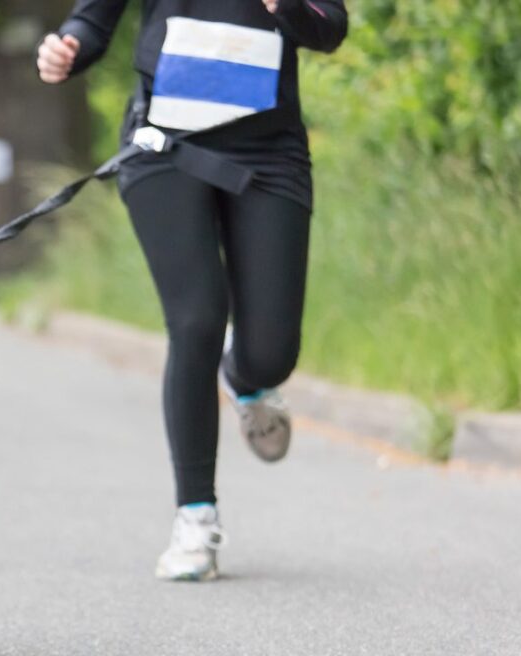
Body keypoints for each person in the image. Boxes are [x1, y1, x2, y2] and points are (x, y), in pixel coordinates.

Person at [36, 0, 348, 581]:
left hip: (268, 152)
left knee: (273, 354)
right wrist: (67, 48)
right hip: (164, 146)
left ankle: (245, 376)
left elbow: (330, 27)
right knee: (196, 320)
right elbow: (93, 22)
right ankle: (196, 517)